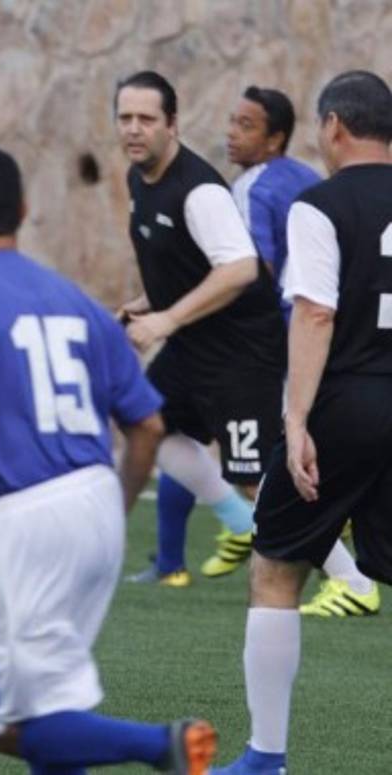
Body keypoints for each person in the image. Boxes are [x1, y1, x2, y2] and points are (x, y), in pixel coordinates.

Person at [0, 145, 215, 775]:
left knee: (3, 720)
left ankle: (160, 745)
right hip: (94, 500)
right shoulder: (76, 301)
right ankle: (149, 746)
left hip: (22, 519)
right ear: (23, 211)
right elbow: (149, 425)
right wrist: (114, 505)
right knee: (44, 705)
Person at [214, 70, 392, 775]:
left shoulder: (318, 204)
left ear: (334, 128)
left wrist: (296, 418)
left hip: (348, 401)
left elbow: (314, 312)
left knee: (277, 566)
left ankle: (265, 758)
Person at [115, 71, 287, 584]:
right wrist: (144, 304)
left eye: (147, 118)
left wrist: (166, 319)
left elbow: (239, 268)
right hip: (196, 346)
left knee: (256, 481)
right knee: (145, 423)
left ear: (172, 124)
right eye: (125, 117)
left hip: (241, 351)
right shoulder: (138, 180)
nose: (134, 129)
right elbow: (190, 263)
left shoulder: (200, 190)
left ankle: (353, 581)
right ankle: (236, 522)